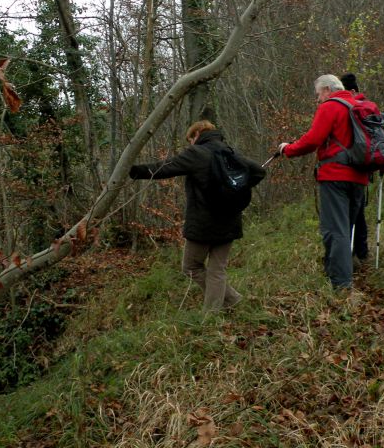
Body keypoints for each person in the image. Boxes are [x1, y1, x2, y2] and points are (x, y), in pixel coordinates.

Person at [128, 120, 266, 312]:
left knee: (191, 267)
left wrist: (133, 170)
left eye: (190, 139)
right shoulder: (229, 151)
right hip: (230, 220)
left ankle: (213, 313)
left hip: (203, 223)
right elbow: (259, 171)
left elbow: (165, 167)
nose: (189, 144)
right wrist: (236, 188)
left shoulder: (196, 153)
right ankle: (229, 303)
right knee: (217, 270)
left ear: (197, 134)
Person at [278, 74, 369, 292]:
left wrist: (287, 149)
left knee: (334, 229)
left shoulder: (331, 107)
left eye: (319, 94)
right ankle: (338, 270)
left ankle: (341, 284)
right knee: (346, 227)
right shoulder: (360, 105)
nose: (318, 99)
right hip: (360, 177)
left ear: (328, 89)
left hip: (335, 176)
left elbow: (312, 140)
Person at [340, 72, 368, 267]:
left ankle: (348, 257)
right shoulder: (368, 107)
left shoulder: (349, 108)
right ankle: (362, 251)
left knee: (348, 214)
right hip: (364, 169)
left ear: (351, 90)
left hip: (346, 169)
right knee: (359, 213)